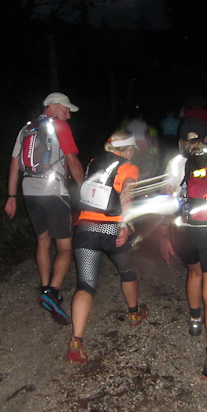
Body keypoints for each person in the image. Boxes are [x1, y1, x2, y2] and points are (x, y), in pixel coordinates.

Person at [158, 117, 207, 384]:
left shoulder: (175, 163)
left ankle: (194, 321)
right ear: (206, 137)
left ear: (181, 140)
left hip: (184, 231)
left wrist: (165, 235)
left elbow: (166, 202)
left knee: (194, 273)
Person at [67, 129, 149, 364]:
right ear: (129, 149)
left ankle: (76, 340)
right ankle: (134, 313)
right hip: (111, 229)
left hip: (85, 228)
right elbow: (127, 195)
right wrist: (126, 224)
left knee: (86, 284)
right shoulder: (129, 167)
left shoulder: (94, 162)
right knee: (127, 272)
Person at [4, 92, 84, 325]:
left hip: (29, 191)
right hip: (54, 191)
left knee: (42, 241)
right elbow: (73, 162)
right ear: (53, 106)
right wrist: (86, 190)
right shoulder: (59, 126)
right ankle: (52, 292)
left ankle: (47, 288)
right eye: (66, 110)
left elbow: (14, 165)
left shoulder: (26, 128)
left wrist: (11, 196)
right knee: (65, 247)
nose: (68, 115)